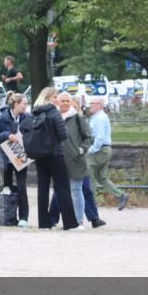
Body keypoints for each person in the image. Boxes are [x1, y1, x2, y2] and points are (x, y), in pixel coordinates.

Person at [49, 92, 106, 229]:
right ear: (57, 102)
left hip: (75, 160)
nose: (65, 103)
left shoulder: (77, 118)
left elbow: (89, 137)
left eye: (67, 101)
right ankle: (53, 219)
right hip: (57, 159)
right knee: (59, 190)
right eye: (62, 101)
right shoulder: (53, 117)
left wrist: (81, 149)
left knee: (76, 189)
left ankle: (78, 221)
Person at [29, 87, 80, 230]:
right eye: (56, 96)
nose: (58, 99)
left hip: (40, 155)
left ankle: (43, 223)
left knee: (43, 189)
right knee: (62, 188)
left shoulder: (35, 112)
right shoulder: (53, 112)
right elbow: (63, 135)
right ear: (49, 98)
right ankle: (70, 224)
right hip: (55, 154)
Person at [0, 91, 31, 227]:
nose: (26, 106)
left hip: (20, 156)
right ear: (16, 104)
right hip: (5, 157)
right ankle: (8, 216)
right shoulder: (2, 118)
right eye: (24, 104)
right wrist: (7, 135)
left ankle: (24, 217)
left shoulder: (27, 118)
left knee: (22, 187)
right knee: (7, 187)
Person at [87, 96, 129, 210]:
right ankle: (121, 195)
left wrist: (90, 150)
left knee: (88, 176)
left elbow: (99, 137)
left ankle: (91, 204)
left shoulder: (100, 118)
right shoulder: (98, 117)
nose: (90, 105)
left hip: (99, 150)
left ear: (100, 105)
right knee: (102, 178)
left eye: (92, 103)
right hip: (105, 149)